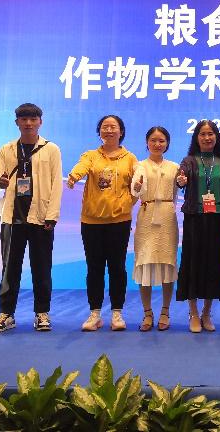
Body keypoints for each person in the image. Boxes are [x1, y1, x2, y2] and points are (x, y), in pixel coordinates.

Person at [0, 103, 63, 333]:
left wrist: (52, 216)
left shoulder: (51, 149)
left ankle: (42, 313)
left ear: (40, 121)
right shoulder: (7, 149)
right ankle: (6, 314)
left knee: (42, 268)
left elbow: (56, 185)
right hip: (12, 218)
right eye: (24, 119)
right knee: (9, 270)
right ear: (17, 122)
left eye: (33, 119)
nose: (28, 123)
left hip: (41, 218)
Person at [67, 115, 138, 332]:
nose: (109, 130)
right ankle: (95, 313)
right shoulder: (90, 155)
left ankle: (117, 313)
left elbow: (138, 187)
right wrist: (74, 176)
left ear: (121, 132)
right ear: (99, 132)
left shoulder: (130, 158)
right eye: (105, 127)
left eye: (113, 127)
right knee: (94, 267)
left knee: (117, 267)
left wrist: (126, 203)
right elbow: (82, 167)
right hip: (92, 221)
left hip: (119, 221)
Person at [175, 120, 220, 333]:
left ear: (216, 137)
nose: (207, 138)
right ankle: (193, 313)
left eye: (210, 134)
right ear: (196, 138)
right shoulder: (189, 161)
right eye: (202, 134)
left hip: (217, 219)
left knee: (214, 265)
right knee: (192, 264)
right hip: (194, 219)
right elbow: (180, 180)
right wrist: (181, 181)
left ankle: (207, 313)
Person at [131, 126, 179, 332]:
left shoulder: (175, 167)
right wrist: (137, 187)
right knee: (144, 262)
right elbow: (134, 191)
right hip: (146, 215)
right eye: (153, 140)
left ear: (167, 143)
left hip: (167, 217)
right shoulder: (139, 165)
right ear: (147, 142)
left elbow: (177, 193)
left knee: (168, 262)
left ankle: (165, 311)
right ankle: (148, 313)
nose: (157, 144)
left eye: (161, 141)